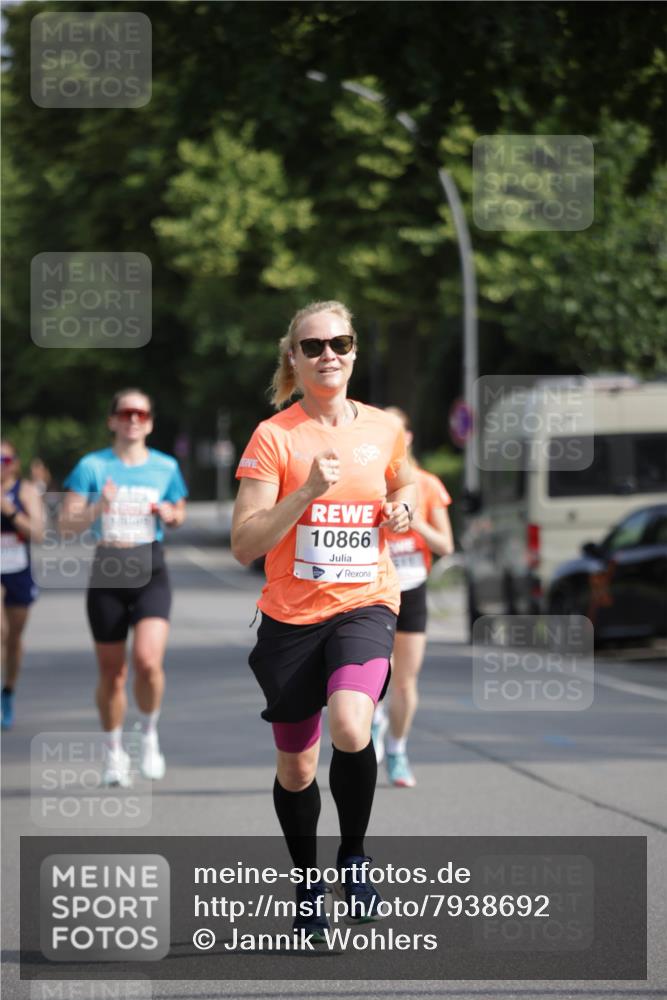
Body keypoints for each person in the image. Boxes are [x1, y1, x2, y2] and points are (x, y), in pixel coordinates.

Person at [232, 301, 416, 939]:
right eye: (313, 346)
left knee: (350, 721)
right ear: (294, 358)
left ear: (355, 350)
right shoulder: (273, 437)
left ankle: (355, 854)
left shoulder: (384, 428)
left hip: (365, 602)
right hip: (289, 618)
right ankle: (307, 880)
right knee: (297, 769)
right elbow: (245, 542)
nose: (328, 354)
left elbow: (403, 486)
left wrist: (401, 512)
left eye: (339, 342)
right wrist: (306, 492)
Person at [60, 389, 188, 785]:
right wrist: (101, 505)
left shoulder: (165, 467)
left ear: (149, 422)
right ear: (112, 420)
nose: (134, 419)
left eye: (141, 413)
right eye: (126, 412)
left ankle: (148, 734)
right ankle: (114, 752)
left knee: (149, 663)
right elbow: (65, 526)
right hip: (108, 571)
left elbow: (178, 512)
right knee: (113, 673)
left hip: (150, 568)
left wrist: (170, 513)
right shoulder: (92, 467)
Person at [372, 407, 454, 787]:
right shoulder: (365, 481)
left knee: (405, 682)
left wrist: (412, 518)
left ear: (408, 438)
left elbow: (446, 545)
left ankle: (397, 749)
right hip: (371, 590)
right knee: (375, 677)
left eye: (397, 432)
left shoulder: (426, 484)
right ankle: (371, 724)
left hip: (412, 587)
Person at [1, 441, 44, 730]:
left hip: (17, 570)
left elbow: (40, 533)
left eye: (4, 459)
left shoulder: (25, 491)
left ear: (14, 462)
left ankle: (8, 691)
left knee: (13, 640)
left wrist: (10, 512)